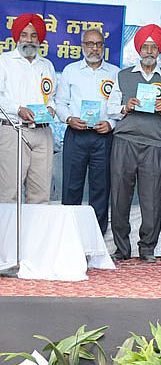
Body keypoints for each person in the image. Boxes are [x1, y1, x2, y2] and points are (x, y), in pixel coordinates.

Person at [107, 24, 161, 262]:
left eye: (153, 47)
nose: (149, 51)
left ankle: (147, 248)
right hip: (125, 140)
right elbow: (110, 108)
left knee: (152, 198)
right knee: (120, 195)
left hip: (155, 143)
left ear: (159, 51)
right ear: (138, 49)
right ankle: (122, 248)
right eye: (145, 46)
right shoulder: (123, 75)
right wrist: (126, 107)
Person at [55, 28, 120, 233]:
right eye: (90, 44)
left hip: (103, 137)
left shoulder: (115, 73)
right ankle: (68, 235)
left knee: (100, 189)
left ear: (104, 47)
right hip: (76, 135)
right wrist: (69, 118)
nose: (94, 48)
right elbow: (60, 103)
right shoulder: (70, 71)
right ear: (82, 46)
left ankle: (97, 238)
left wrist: (111, 123)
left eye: (99, 44)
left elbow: (119, 107)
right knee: (71, 187)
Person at [0, 13, 57, 204]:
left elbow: (52, 97)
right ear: (17, 37)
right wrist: (18, 109)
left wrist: (51, 108)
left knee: (41, 195)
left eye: (34, 35)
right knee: (9, 193)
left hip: (43, 133)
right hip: (14, 131)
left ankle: (36, 235)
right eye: (24, 34)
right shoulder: (4, 61)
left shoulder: (47, 65)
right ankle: (8, 235)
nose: (29, 40)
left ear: (39, 39)